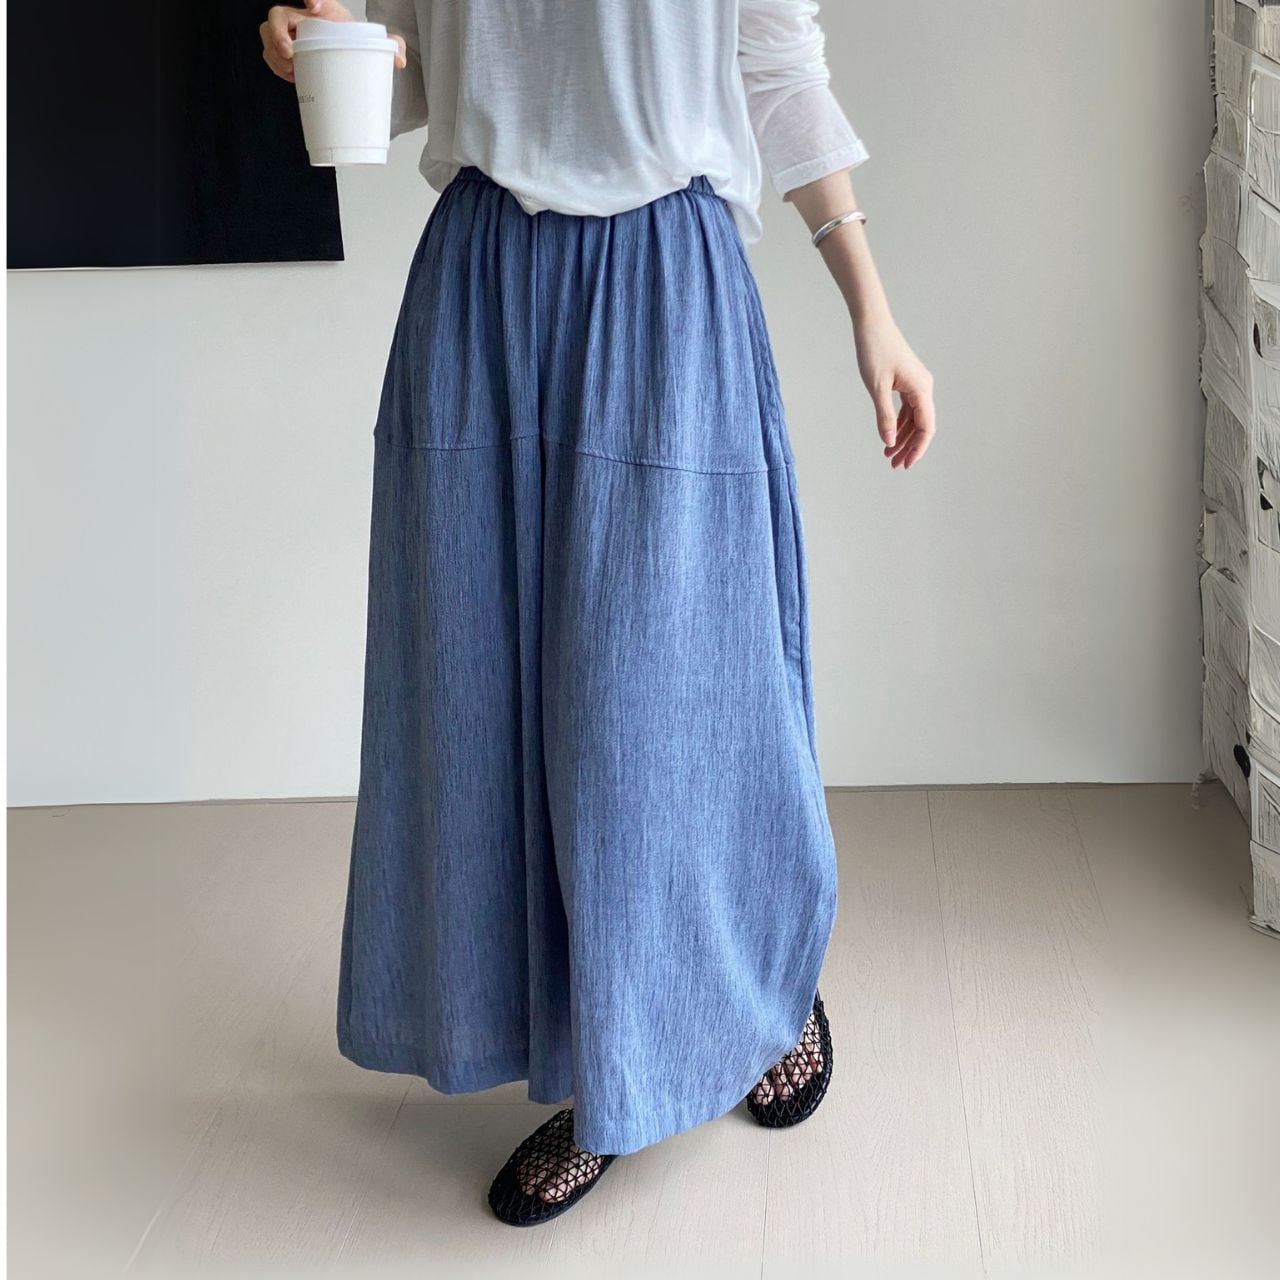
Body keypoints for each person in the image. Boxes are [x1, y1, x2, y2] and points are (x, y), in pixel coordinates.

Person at [262, 0, 935, 1228]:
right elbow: (408, 63)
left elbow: (776, 72)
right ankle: (587, 1058)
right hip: (478, 279)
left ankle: (751, 999)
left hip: (661, 280)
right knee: (472, 690)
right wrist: (314, 43)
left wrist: (870, 307)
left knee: (663, 699)